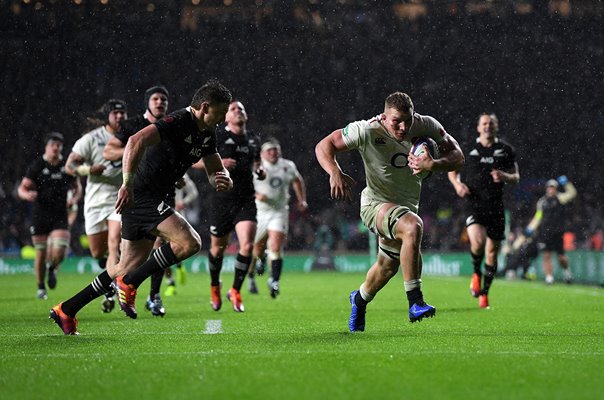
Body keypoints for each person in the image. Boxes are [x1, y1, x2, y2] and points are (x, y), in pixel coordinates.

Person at [49, 80, 233, 334]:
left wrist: (223, 180)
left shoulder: (207, 132)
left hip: (150, 199)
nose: (223, 119)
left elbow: (216, 170)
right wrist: (126, 183)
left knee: (123, 266)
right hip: (143, 196)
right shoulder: (179, 121)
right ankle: (131, 283)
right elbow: (136, 140)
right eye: (222, 112)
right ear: (204, 107)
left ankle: (66, 309)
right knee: (190, 242)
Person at [315, 91, 464, 332]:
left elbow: (458, 155)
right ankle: (415, 302)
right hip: (375, 205)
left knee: (387, 268)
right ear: (385, 117)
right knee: (413, 226)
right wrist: (334, 172)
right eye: (397, 121)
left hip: (405, 206)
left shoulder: (426, 125)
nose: (404, 127)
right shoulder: (366, 130)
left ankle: (359, 299)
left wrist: (434, 164)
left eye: (408, 119)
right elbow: (325, 145)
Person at [103, 85, 171, 316]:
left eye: (163, 99)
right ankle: (112, 287)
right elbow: (108, 152)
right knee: (127, 257)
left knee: (161, 245)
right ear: (147, 102)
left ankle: (154, 297)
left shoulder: (169, 126)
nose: (160, 102)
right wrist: (136, 154)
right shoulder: (132, 126)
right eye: (155, 98)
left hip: (163, 192)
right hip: (137, 193)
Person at [193, 100, 264, 313]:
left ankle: (235, 290)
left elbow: (257, 163)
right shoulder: (217, 136)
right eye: (233, 109)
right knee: (217, 248)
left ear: (246, 116)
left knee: (247, 246)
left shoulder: (253, 139)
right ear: (226, 117)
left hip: (246, 199)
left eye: (241, 108)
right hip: (222, 199)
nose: (238, 111)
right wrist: (220, 163)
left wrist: (260, 171)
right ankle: (215, 286)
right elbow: (194, 161)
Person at [447, 113, 519, 309]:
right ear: (478, 127)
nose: (487, 126)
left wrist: (504, 176)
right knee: (477, 242)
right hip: (473, 203)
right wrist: (457, 185)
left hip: (495, 206)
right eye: (484, 123)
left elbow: (516, 177)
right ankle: (476, 273)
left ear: (496, 127)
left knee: (492, 254)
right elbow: (451, 169)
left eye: (491, 123)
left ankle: (485, 294)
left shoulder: (505, 150)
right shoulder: (467, 147)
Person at [65, 99, 128, 312]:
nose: (119, 116)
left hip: (119, 198)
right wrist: (88, 170)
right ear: (107, 116)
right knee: (97, 252)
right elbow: (70, 165)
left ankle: (112, 287)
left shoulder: (131, 136)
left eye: (122, 113)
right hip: (94, 202)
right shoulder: (92, 139)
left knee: (114, 241)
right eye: (115, 113)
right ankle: (109, 276)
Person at [18, 132, 81, 299]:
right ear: (46, 147)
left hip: (60, 214)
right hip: (40, 215)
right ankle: (41, 288)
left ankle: (52, 268)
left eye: (59, 145)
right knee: (40, 252)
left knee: (60, 250)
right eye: (53, 144)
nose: (56, 147)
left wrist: (74, 199)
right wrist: (26, 195)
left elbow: (77, 186)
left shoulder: (66, 165)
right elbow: (22, 188)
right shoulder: (37, 165)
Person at [247, 138, 307, 298]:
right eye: (269, 150)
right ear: (262, 153)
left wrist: (302, 199)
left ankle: (274, 280)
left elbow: (297, 180)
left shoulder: (287, 166)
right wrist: (256, 195)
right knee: (255, 248)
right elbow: (244, 186)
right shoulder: (256, 167)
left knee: (275, 246)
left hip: (279, 211)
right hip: (259, 212)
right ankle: (253, 273)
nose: (273, 153)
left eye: (276, 149)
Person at [525, 176, 577, 284]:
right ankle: (549, 278)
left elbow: (572, 194)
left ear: (556, 189)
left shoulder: (560, 198)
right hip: (545, 232)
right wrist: (530, 228)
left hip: (558, 232)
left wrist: (567, 183)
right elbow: (538, 217)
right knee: (546, 255)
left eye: (553, 187)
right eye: (549, 187)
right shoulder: (542, 202)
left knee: (561, 257)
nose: (551, 189)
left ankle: (567, 272)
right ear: (546, 188)